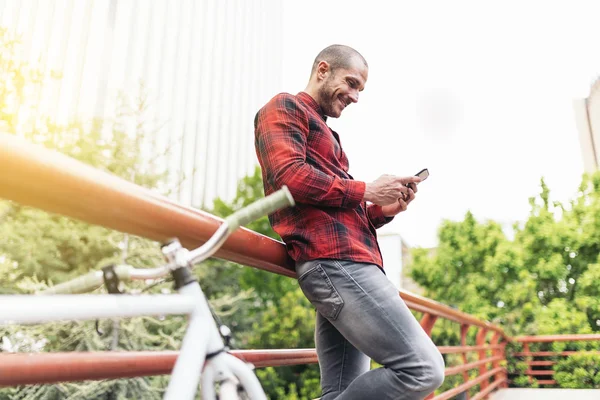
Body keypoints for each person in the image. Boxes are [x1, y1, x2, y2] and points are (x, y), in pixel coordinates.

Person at [254, 44, 445, 400]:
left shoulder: (327, 133)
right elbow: (289, 178)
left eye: (361, 90)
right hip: (338, 266)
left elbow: (333, 210)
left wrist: (381, 211)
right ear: (323, 70)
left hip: (346, 262)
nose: (356, 97)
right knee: (423, 369)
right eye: (352, 83)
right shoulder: (284, 107)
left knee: (340, 391)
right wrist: (368, 189)